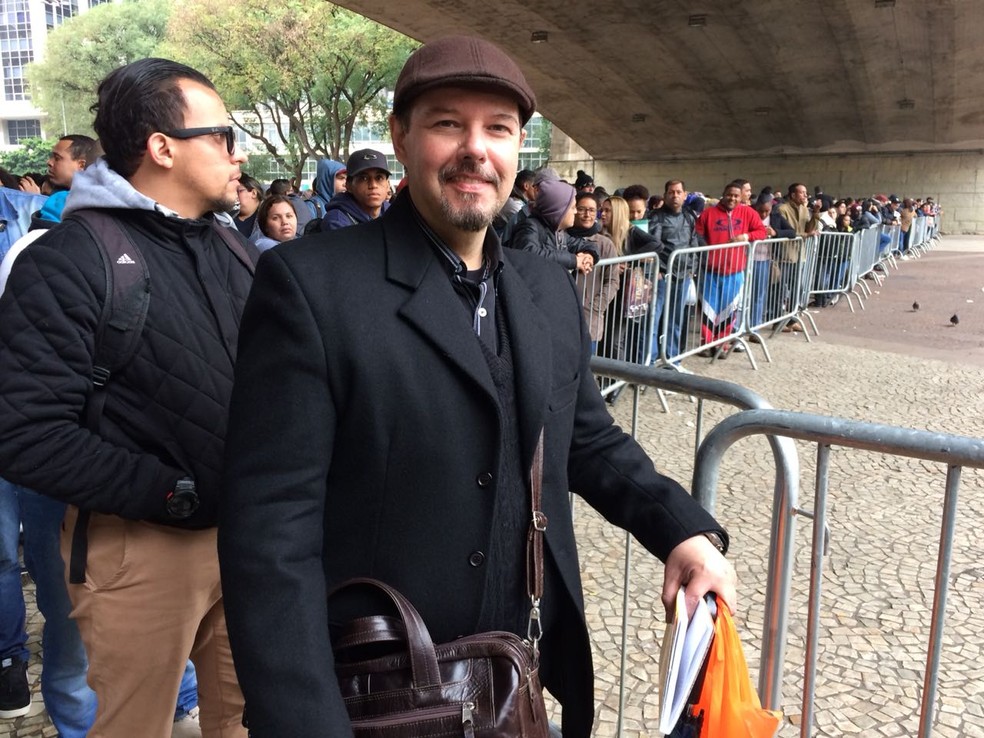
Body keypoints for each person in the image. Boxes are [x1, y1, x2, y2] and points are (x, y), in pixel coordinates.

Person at [219, 35, 736, 738]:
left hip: (512, 682)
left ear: (518, 148)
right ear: (401, 138)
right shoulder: (312, 286)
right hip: (382, 691)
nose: (475, 149)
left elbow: (585, 438)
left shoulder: (543, 286)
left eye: (497, 129)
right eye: (447, 124)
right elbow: (271, 532)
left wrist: (682, 530)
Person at [0, 58, 255, 738]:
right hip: (139, 548)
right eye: (223, 136)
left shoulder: (232, 248)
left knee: (247, 721)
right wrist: (173, 493)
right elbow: (24, 432)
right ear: (163, 147)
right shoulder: (68, 258)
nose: (237, 154)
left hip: (248, 539)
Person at [695, 182, 767, 356]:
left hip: (735, 272)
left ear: (741, 197)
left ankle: (722, 345)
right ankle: (706, 344)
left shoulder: (748, 213)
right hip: (710, 271)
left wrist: (746, 236)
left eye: (736, 196)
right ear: (723, 194)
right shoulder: (708, 214)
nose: (732, 198)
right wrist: (706, 251)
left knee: (728, 310)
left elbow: (762, 232)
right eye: (729, 195)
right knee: (708, 309)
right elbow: (697, 234)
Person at [648, 180, 700, 362]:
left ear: (685, 195)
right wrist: (657, 270)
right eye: (671, 192)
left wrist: (692, 268)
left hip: (683, 275)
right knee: (654, 320)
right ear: (665, 195)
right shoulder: (656, 217)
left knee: (676, 319)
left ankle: (672, 359)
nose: (675, 195)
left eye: (678, 192)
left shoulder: (689, 217)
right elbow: (653, 245)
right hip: (662, 276)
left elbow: (693, 243)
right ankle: (650, 360)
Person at [509, 178, 597, 274]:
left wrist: (588, 256)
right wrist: (574, 260)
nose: (575, 212)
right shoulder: (530, 226)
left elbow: (585, 244)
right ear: (558, 210)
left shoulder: (559, 232)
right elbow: (528, 253)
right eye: (572, 207)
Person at [320, 148, 391, 230]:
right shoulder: (337, 221)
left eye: (379, 178)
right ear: (348, 185)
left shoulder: (394, 214)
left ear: (388, 185)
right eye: (364, 178)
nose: (373, 185)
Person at [233, 173, 264, 242]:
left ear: (254, 193)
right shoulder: (226, 218)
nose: (235, 195)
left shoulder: (268, 215)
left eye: (239, 191)